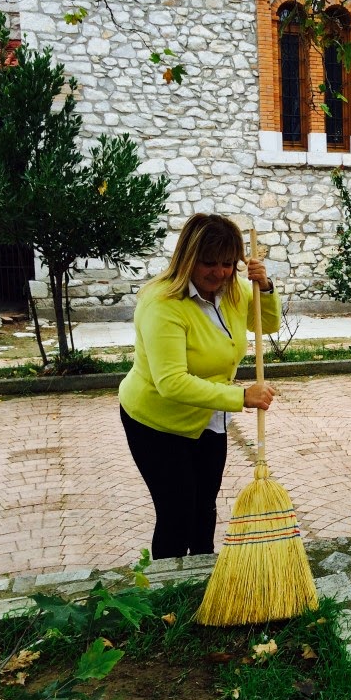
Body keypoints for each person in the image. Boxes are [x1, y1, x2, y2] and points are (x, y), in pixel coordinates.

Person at [119, 213, 281, 559]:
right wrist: (240, 396)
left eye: (227, 264)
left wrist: (264, 288)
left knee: (204, 510)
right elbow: (171, 382)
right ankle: (166, 600)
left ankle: (203, 583)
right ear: (188, 257)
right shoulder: (162, 304)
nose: (219, 273)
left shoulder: (234, 291)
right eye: (208, 263)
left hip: (208, 417)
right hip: (156, 421)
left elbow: (267, 324)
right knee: (177, 514)